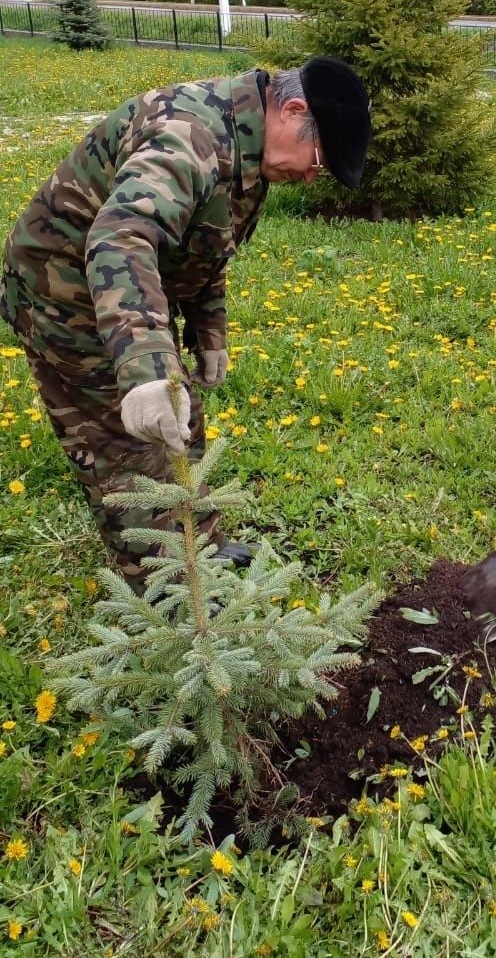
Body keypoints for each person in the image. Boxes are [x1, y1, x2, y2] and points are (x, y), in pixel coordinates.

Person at [1, 56, 371, 590]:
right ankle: (167, 596)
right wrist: (145, 369)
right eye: (319, 158)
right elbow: (121, 238)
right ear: (291, 111)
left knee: (183, 418)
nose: (314, 176)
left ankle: (202, 550)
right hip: (63, 294)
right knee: (126, 448)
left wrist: (209, 333)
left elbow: (205, 244)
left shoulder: (249, 147)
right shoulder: (188, 137)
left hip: (129, 292)